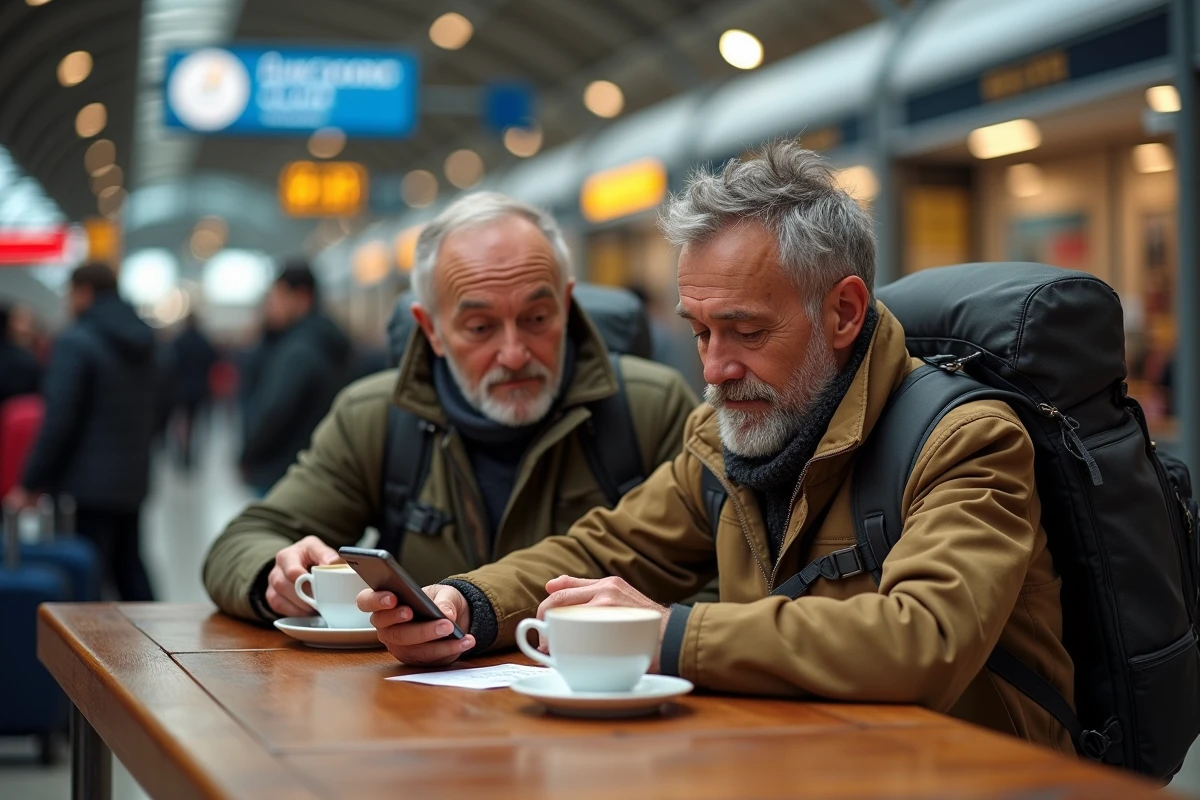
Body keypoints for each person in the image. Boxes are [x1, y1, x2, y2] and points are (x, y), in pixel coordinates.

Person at [361, 142, 1074, 754]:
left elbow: (923, 638)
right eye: (699, 332)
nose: (713, 368)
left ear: (844, 312)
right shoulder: (722, 437)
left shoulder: (968, 440)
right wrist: (467, 603)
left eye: (746, 331)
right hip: (805, 761)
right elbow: (608, 550)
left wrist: (667, 636)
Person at [203, 193, 698, 623]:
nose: (514, 353)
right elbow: (241, 541)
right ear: (432, 329)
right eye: (481, 328)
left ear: (567, 308)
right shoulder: (377, 416)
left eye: (537, 318)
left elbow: (718, 575)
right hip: (421, 710)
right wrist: (276, 574)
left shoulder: (647, 408)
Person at [5, 263, 161, 601]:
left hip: (84, 486)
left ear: (84, 292)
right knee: (129, 568)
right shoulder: (147, 341)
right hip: (132, 477)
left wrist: (31, 482)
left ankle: (85, 651)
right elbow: (164, 406)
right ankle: (156, 647)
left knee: (85, 580)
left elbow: (59, 419)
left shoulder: (76, 341)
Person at [238, 261, 350, 495]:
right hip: (317, 471)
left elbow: (274, 410)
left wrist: (248, 452)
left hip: (283, 473)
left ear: (301, 297)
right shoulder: (328, 340)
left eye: (278, 297)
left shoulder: (298, 350)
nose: (272, 306)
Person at [170, 314, 219, 470]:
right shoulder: (203, 341)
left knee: (182, 423)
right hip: (200, 388)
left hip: (181, 389)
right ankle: (192, 454)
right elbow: (213, 360)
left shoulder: (179, 341)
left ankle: (182, 454)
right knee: (196, 424)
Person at [0, 302, 41, 405]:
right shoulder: (26, 361)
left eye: (30, 323)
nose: (25, 328)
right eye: (19, 321)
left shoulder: (37, 358)